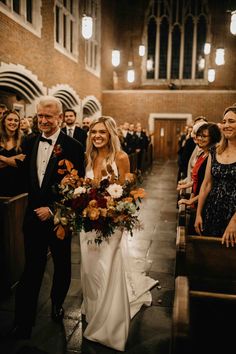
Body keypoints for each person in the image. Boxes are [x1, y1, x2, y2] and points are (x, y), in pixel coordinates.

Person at [80, 116, 158, 351]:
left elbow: (127, 192)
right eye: (94, 132)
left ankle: (110, 324)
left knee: (108, 266)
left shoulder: (121, 158)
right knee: (90, 268)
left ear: (111, 134)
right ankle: (93, 308)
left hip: (112, 224)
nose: (97, 136)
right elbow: (84, 186)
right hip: (88, 221)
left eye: (102, 132)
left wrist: (114, 213)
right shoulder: (89, 156)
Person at [11, 96, 85, 339]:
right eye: (39, 116)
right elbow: (25, 178)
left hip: (59, 219)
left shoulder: (73, 147)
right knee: (32, 269)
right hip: (33, 218)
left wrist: (53, 209)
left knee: (62, 265)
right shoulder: (30, 142)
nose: (42, 120)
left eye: (48, 116)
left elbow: (78, 187)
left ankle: (56, 303)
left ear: (60, 118)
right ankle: (23, 322)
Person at [194, 105, 236, 247]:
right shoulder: (215, 150)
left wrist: (234, 222)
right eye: (224, 122)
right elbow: (206, 184)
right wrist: (198, 213)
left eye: (231, 121)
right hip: (212, 211)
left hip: (233, 215)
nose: (226, 125)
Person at [0, 110, 26, 196]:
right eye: (10, 119)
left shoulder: (24, 140)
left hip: (18, 184)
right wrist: (14, 159)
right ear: (4, 122)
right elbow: (17, 161)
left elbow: (22, 164)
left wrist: (2, 158)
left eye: (16, 120)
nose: (13, 122)